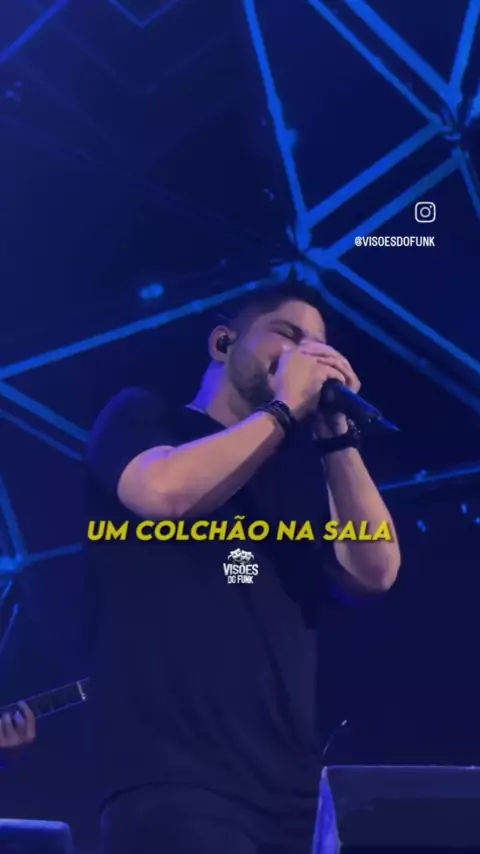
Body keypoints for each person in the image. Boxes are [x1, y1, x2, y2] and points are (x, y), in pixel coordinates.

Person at [85, 279, 401, 854]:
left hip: (291, 797)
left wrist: (336, 437)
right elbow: (163, 492)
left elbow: (374, 570)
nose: (306, 355)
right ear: (223, 342)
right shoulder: (143, 417)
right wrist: (284, 408)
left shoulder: (300, 481)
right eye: (287, 334)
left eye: (318, 346)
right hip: (172, 779)